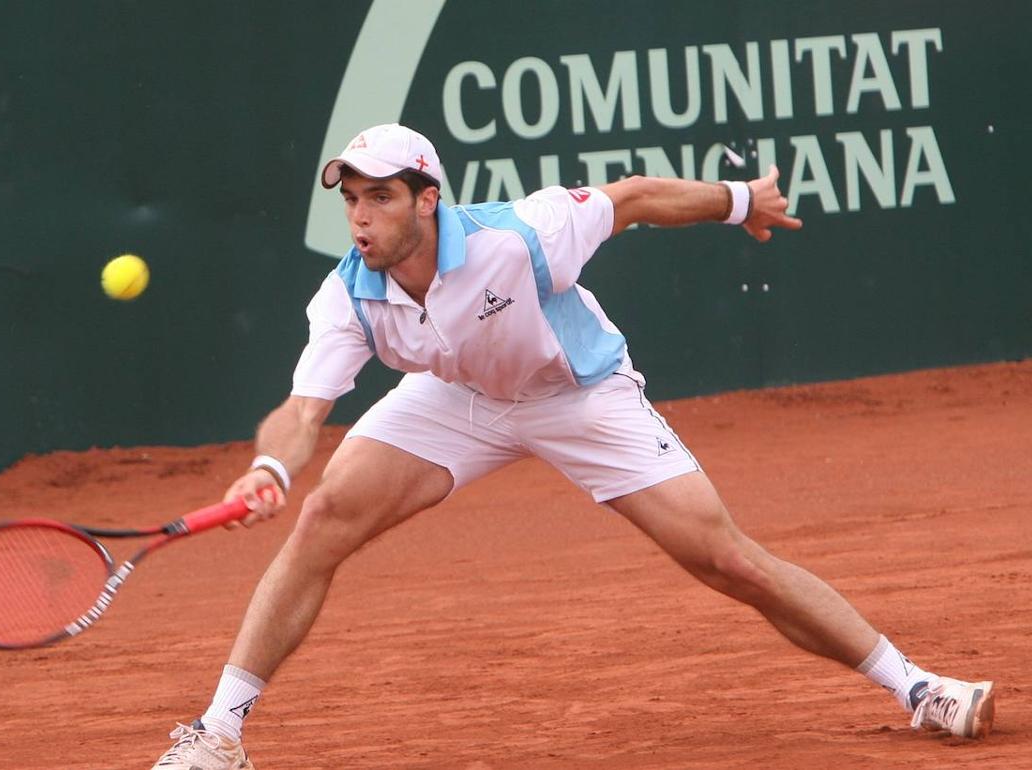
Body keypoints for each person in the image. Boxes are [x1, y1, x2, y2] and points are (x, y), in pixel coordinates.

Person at [150, 124, 995, 769]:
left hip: (576, 395)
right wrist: (270, 468)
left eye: (379, 197)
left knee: (725, 560)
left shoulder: (520, 236)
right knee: (324, 513)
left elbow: (630, 199)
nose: (360, 218)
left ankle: (917, 686)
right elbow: (303, 411)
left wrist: (742, 203)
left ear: (427, 197)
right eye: (351, 199)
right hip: (457, 399)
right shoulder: (349, 295)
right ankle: (221, 730)